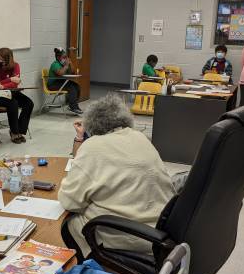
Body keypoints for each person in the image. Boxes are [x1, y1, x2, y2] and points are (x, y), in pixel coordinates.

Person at [59, 94, 176, 260]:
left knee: (67, 223)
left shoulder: (94, 145)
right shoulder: (139, 137)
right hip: (159, 231)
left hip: (127, 236)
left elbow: (70, 202)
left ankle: (84, 269)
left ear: (91, 124)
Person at [0, 47, 34, 144]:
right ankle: (14, 132)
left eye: (1, 59)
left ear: (8, 60)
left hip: (11, 92)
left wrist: (3, 85)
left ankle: (20, 131)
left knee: (29, 103)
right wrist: (10, 80)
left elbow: (15, 84)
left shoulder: (15, 65)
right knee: (13, 103)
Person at [48, 48, 83, 115]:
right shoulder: (55, 64)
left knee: (76, 86)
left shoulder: (63, 65)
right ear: (58, 57)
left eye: (66, 57)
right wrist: (66, 65)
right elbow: (61, 73)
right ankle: (72, 107)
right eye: (64, 57)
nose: (66, 58)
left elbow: (73, 72)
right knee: (71, 87)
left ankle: (74, 106)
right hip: (52, 85)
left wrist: (70, 63)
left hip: (61, 83)